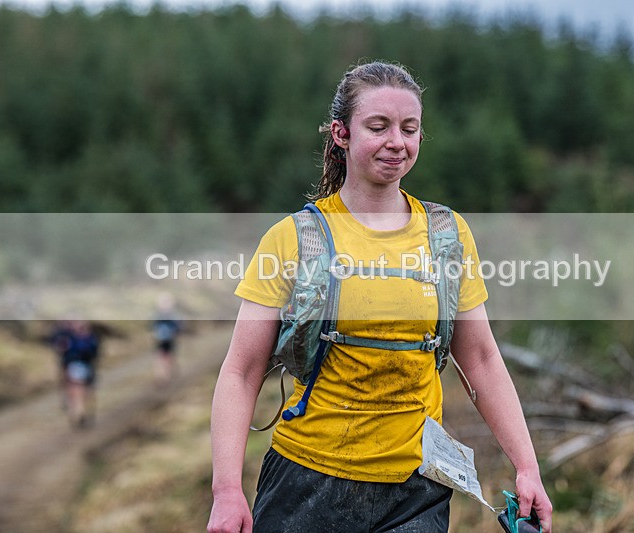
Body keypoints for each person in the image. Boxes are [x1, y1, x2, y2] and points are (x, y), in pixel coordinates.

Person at [207, 61, 552, 533]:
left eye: (409, 129)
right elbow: (241, 370)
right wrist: (227, 490)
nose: (397, 142)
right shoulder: (295, 238)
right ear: (341, 134)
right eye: (378, 127)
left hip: (416, 493)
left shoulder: (446, 236)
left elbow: (483, 360)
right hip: (307, 481)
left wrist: (527, 467)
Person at [59, 320, 101, 428]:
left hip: (83, 367)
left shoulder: (86, 340)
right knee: (79, 391)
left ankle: (80, 412)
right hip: (77, 367)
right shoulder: (74, 339)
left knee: (83, 392)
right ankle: (79, 413)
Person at [152, 292, 182, 385]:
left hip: (168, 339)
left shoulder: (172, 316)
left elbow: (177, 327)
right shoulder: (158, 316)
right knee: (160, 357)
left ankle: (167, 374)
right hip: (160, 339)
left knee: (168, 357)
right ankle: (162, 375)